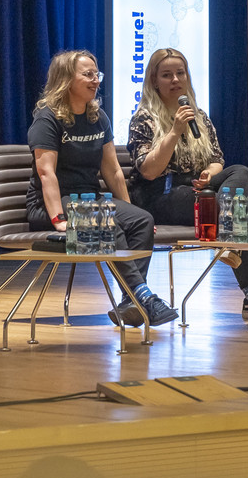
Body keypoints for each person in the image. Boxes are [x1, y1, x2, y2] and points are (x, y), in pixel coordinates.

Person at [126, 48, 248, 320]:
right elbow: (149, 171)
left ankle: (231, 241)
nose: (175, 79)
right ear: (154, 81)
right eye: (167, 75)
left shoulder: (198, 116)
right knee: (238, 216)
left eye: (180, 73)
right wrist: (175, 131)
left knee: (240, 171)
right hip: (160, 195)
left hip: (199, 192)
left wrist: (208, 176)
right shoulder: (144, 118)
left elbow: (216, 160)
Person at [26, 50, 177, 327]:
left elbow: (113, 171)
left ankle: (130, 300)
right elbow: (46, 173)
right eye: (88, 75)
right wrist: (59, 219)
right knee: (105, 220)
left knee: (142, 220)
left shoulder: (98, 117)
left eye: (97, 74)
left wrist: (130, 209)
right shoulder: (47, 119)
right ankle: (143, 295)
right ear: (66, 79)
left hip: (90, 201)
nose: (96, 80)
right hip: (53, 204)